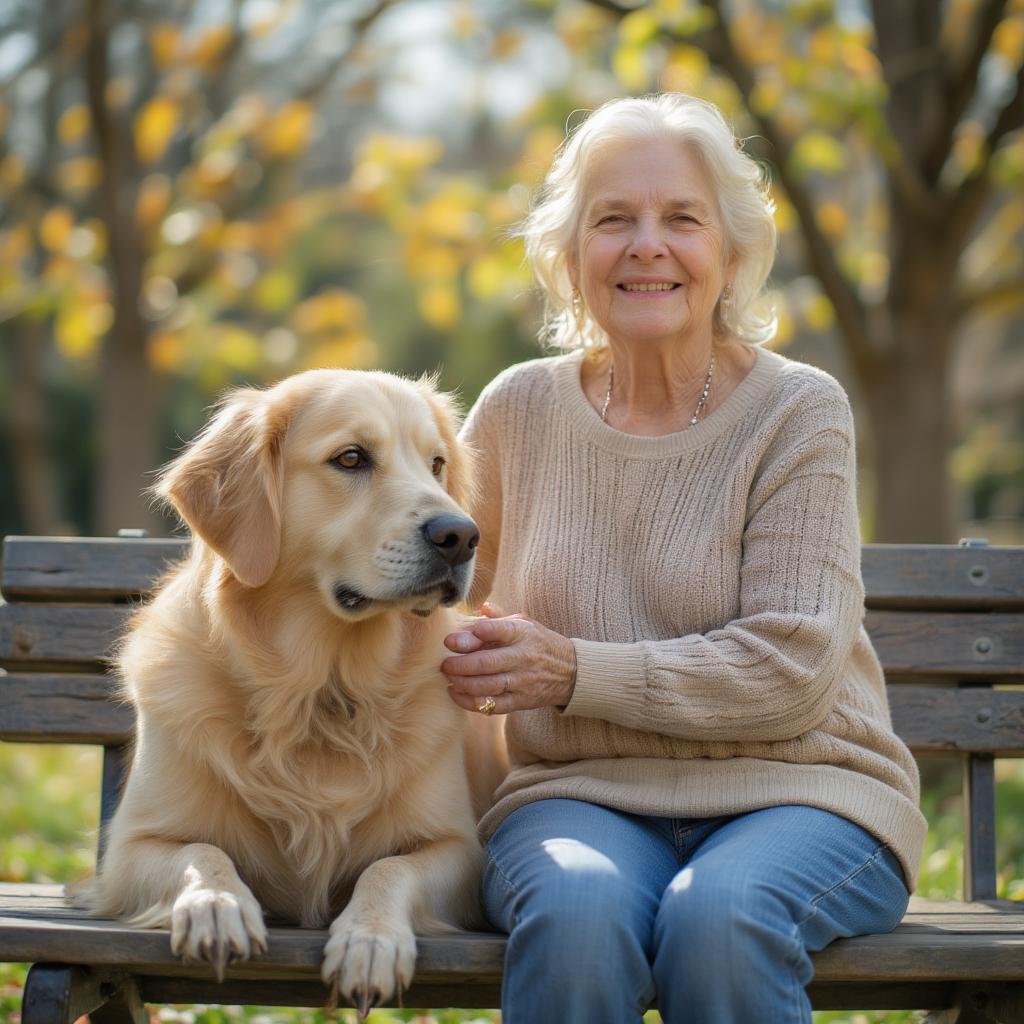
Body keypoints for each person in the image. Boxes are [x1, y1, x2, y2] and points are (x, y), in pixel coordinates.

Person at [440, 93, 926, 1024]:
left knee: (722, 915)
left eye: (682, 219)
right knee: (577, 913)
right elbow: (435, 604)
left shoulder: (798, 412)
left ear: (732, 253)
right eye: (612, 219)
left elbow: (790, 670)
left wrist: (572, 670)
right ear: (570, 255)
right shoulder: (515, 411)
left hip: (805, 794)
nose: (646, 245)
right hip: (575, 795)